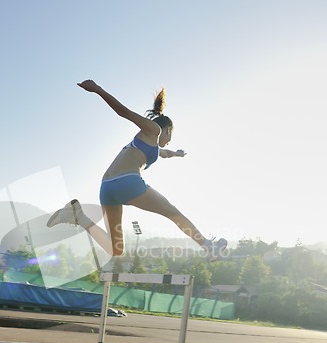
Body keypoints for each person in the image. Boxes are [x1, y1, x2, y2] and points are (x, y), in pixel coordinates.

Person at [47, 79, 227, 262]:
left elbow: (164, 153)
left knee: (115, 249)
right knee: (173, 212)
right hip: (127, 182)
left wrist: (177, 154)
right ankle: (208, 247)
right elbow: (124, 112)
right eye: (171, 134)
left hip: (106, 189)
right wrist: (97, 89)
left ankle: (79, 217)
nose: (170, 139)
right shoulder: (153, 130)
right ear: (167, 129)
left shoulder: (149, 145)